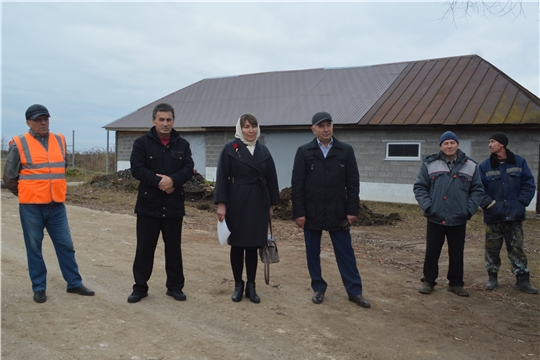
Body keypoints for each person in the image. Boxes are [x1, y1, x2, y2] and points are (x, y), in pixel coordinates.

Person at [3, 104, 95, 303]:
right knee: (34, 247)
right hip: (31, 206)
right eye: (38, 120)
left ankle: (74, 283)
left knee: (66, 245)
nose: (43, 122)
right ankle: (39, 287)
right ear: (29, 123)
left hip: (56, 206)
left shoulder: (60, 140)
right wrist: (27, 193)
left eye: (46, 119)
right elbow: (9, 177)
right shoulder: (19, 143)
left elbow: (62, 167)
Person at [291, 111, 370, 308]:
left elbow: (353, 184)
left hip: (338, 212)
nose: (326, 129)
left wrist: (352, 210)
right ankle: (318, 287)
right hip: (312, 212)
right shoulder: (304, 152)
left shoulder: (345, 151)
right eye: (321, 126)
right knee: (312, 252)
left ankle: (354, 291)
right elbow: (297, 185)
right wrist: (299, 212)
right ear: (313, 129)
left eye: (329, 125)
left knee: (345, 253)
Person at [127, 103, 194, 303]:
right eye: (161, 119)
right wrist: (160, 182)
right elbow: (137, 168)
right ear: (153, 120)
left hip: (173, 205)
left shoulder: (183, 145)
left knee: (173, 248)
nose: (165, 123)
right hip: (149, 206)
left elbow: (188, 168)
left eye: (169, 120)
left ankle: (175, 287)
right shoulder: (141, 143)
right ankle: (140, 287)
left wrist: (173, 181)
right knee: (144, 249)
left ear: (174, 121)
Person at [214, 113, 280, 303]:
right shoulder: (229, 150)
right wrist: (221, 204)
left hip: (258, 202)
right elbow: (222, 178)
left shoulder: (264, 151)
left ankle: (251, 286)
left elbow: (272, 179)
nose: (250, 130)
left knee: (252, 246)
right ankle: (238, 285)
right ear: (239, 129)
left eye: (253, 126)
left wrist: (270, 205)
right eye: (246, 126)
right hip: (236, 201)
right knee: (237, 245)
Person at [413, 131, 483, 297]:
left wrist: (468, 209)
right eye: (446, 143)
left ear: (457, 145)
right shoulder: (430, 164)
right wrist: (428, 207)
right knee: (432, 251)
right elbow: (420, 187)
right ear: (441, 146)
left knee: (457, 252)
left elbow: (477, 190)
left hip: (458, 217)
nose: (449, 146)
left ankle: (456, 283)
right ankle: (429, 281)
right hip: (436, 216)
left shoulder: (471, 166)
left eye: (452, 142)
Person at [478, 133, 538, 294]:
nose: (489, 145)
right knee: (492, 249)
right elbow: (478, 190)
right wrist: (491, 205)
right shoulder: (484, 166)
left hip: (514, 216)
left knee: (517, 248)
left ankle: (522, 280)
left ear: (502, 144)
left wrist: (521, 204)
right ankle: (492, 277)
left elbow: (529, 185)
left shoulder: (519, 162)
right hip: (493, 216)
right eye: (489, 142)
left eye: (493, 141)